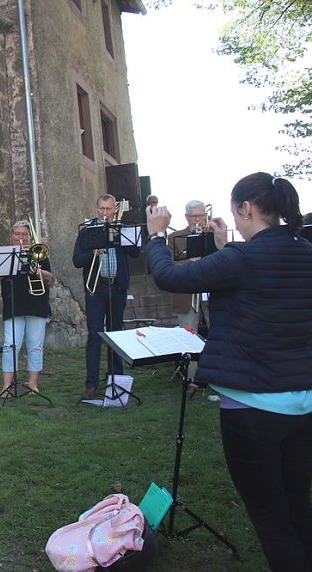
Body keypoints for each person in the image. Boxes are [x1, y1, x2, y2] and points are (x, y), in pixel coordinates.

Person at [146, 172, 312, 571]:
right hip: (303, 401)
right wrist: (225, 246)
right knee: (297, 502)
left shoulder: (242, 259)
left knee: (271, 518)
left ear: (247, 208)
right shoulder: (304, 251)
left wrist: (155, 237)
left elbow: (169, 277)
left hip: (252, 408)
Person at [72, 195, 141, 400]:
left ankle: (116, 380)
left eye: (108, 209)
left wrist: (117, 236)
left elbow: (136, 252)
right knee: (95, 336)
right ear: (96, 208)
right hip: (96, 288)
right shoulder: (87, 231)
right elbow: (77, 260)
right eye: (101, 208)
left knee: (116, 335)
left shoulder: (122, 228)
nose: (105, 213)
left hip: (117, 287)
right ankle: (91, 384)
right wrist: (94, 252)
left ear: (114, 210)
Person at [0, 221, 53, 394]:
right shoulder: (6, 254)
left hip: (37, 304)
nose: (21, 238)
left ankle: (33, 384)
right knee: (10, 345)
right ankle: (7, 386)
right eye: (18, 234)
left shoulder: (39, 254)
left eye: (24, 234)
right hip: (13, 304)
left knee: (35, 346)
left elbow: (50, 278)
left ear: (29, 237)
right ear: (11, 236)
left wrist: (37, 270)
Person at [166, 200, 210, 389]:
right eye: (195, 216)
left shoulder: (212, 235)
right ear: (186, 217)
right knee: (188, 336)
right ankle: (192, 380)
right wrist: (189, 264)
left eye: (202, 215)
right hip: (187, 294)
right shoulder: (175, 237)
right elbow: (170, 266)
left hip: (210, 292)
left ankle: (217, 378)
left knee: (218, 334)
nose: (199, 219)